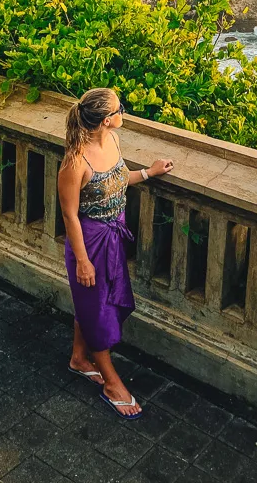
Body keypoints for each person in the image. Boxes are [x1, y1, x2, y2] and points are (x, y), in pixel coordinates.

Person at [58, 87, 174, 419]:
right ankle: (111, 383)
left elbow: (120, 179)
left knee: (95, 304)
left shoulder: (111, 141)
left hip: (113, 235)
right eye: (120, 108)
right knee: (97, 311)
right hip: (90, 242)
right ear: (108, 119)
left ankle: (79, 359)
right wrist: (82, 260)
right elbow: (69, 216)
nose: (124, 111)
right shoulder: (75, 162)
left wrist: (150, 172)